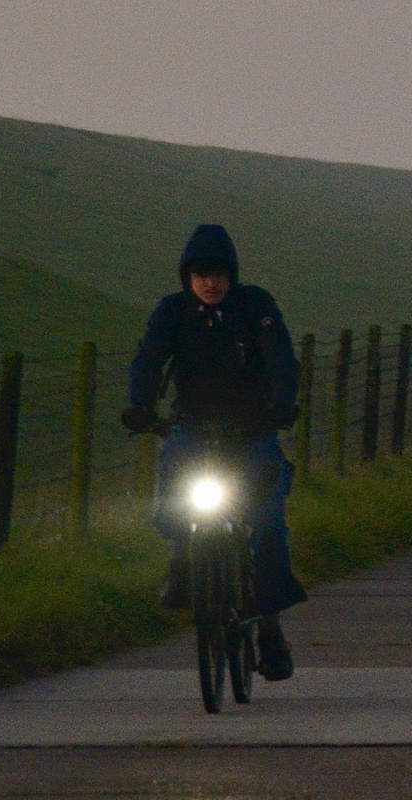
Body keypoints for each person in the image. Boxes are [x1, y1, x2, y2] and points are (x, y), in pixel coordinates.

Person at [121, 223, 306, 681]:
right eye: (201, 274)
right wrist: (141, 406)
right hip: (192, 428)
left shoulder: (255, 305)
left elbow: (280, 354)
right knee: (172, 495)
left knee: (267, 523)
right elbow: (148, 358)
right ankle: (183, 561)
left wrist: (282, 403)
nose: (211, 283)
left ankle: (269, 630)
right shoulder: (173, 311)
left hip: (251, 432)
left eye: (220, 273)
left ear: (233, 275)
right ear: (187, 277)